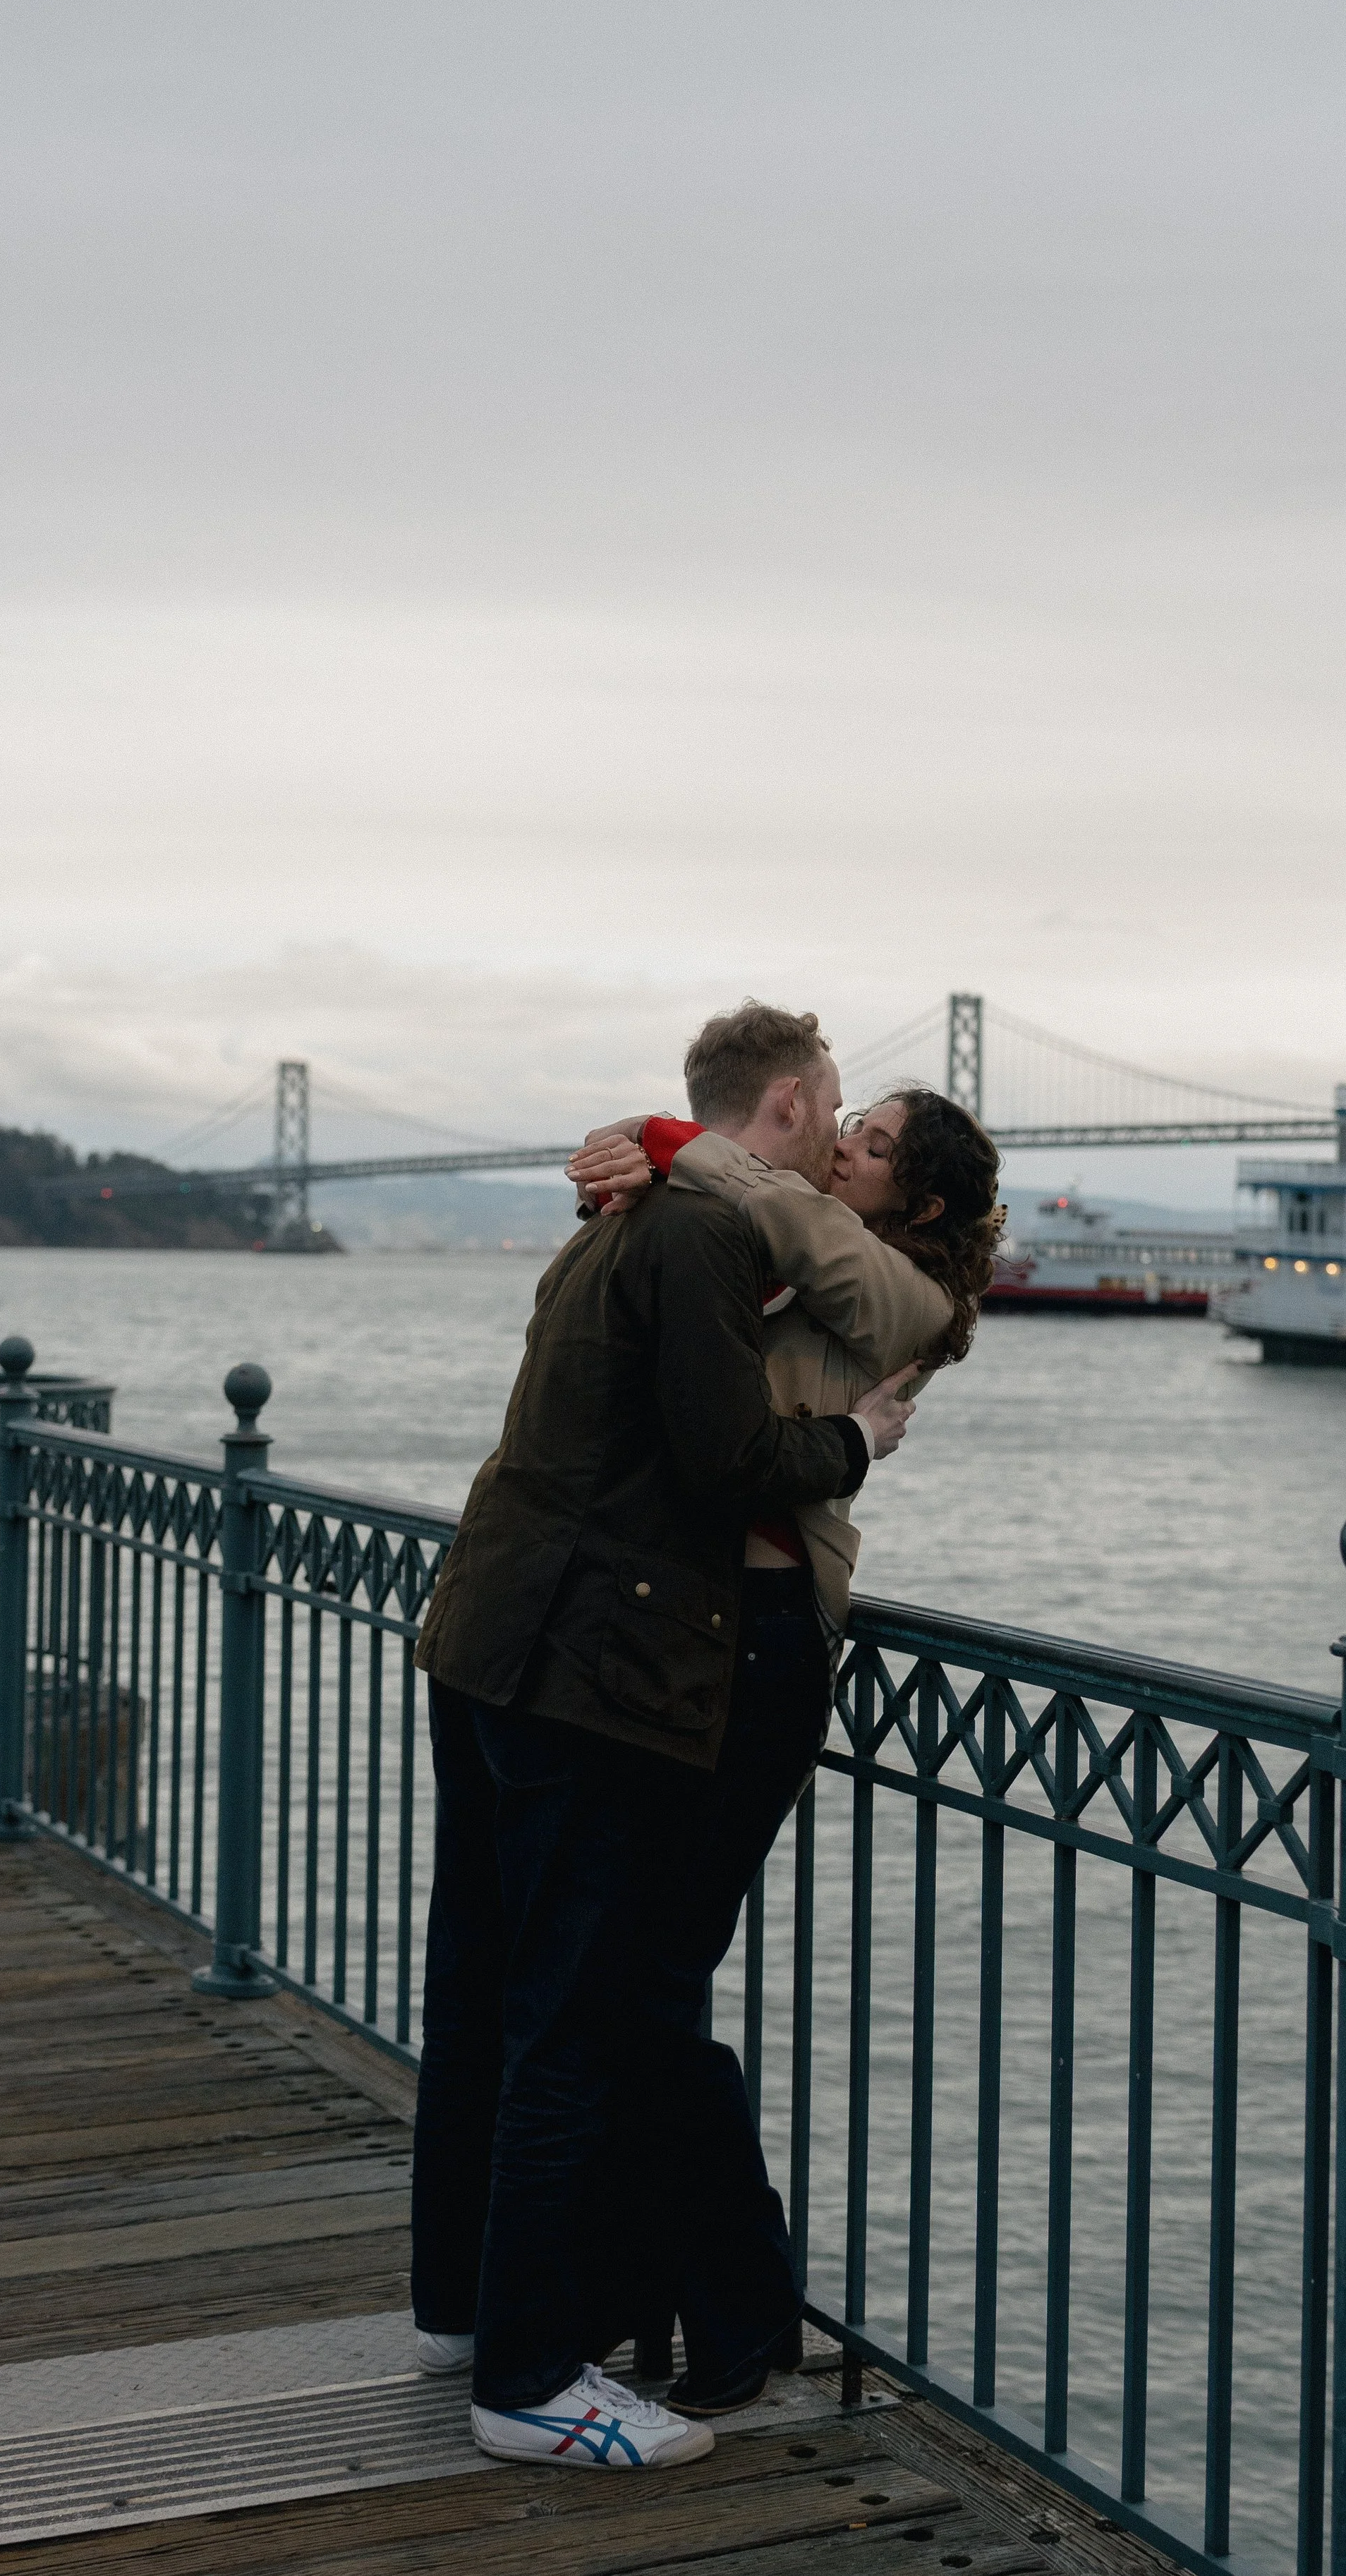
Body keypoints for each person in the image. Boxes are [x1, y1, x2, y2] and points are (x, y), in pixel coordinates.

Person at [408, 1002, 921, 2473]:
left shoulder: (614, 1217)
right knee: (571, 2017)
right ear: (788, 1105)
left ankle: (461, 2306)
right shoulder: (702, 1228)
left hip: (487, 1631)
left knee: (485, 1989)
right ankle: (525, 2375)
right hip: (589, 1664)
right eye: (837, 1118)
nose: (838, 1145)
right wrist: (852, 1448)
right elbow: (723, 1459)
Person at [564, 1083, 1004, 2410]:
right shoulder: (802, 1241)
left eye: (866, 1145)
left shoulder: (887, 1290)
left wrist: (670, 1143)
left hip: (760, 1649)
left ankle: (742, 2308)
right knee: (635, 1984)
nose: (835, 1150)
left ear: (914, 1203)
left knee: (646, 1987)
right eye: (841, 1128)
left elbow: (767, 1207)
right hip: (689, 1630)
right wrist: (635, 1184)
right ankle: (654, 2291)